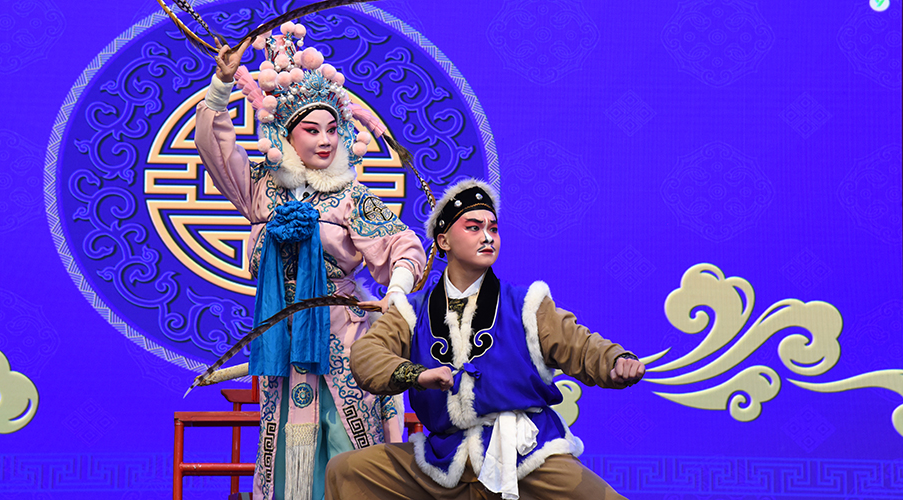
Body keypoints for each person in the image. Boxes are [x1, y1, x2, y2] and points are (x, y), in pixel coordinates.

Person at [193, 23, 427, 500]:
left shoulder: (350, 196)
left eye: (333, 130)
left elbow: (404, 247)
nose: (326, 140)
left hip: (339, 332)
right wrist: (222, 84)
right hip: (281, 334)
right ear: (286, 134)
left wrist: (398, 291)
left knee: (346, 439)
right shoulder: (262, 187)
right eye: (311, 130)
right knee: (283, 445)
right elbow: (216, 151)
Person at [326, 179, 645, 500]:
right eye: (474, 227)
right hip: (445, 459)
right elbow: (367, 356)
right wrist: (418, 375)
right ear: (443, 240)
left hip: (526, 456)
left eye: (493, 228)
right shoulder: (412, 312)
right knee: (348, 471)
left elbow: (582, 345)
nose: (488, 236)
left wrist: (616, 361)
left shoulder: (526, 305)